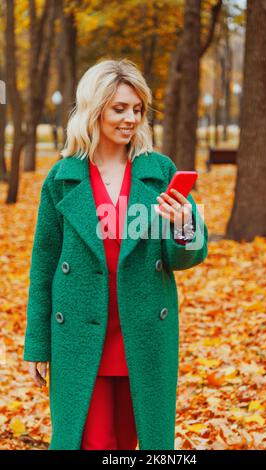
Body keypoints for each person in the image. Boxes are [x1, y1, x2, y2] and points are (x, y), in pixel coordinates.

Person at [23, 58, 208, 450]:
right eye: (119, 108)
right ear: (95, 110)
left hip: (142, 333)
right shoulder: (63, 177)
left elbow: (184, 257)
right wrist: (38, 344)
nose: (130, 119)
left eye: (137, 110)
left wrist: (183, 223)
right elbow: (43, 266)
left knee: (132, 442)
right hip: (79, 334)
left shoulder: (158, 172)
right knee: (92, 440)